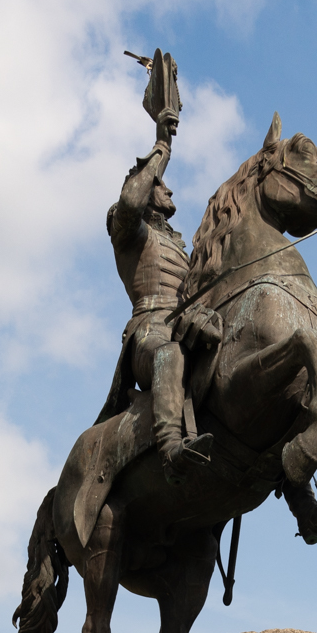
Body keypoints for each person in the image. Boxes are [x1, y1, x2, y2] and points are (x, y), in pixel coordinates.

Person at [100, 104, 214, 482]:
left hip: (183, 326)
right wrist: (162, 145)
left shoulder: (178, 248)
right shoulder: (130, 235)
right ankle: (171, 450)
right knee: (169, 353)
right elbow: (131, 202)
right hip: (149, 333)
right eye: (160, 186)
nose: (168, 189)